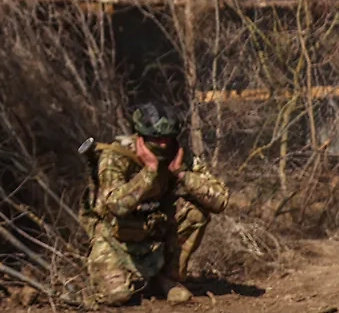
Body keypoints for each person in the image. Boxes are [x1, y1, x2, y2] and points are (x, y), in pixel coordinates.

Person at [80, 103, 228, 306]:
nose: (163, 145)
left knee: (195, 213)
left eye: (167, 139)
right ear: (139, 136)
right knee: (116, 296)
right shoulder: (116, 157)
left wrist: (181, 174)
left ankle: (168, 276)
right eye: (156, 139)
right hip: (114, 238)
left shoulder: (177, 155)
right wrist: (149, 172)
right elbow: (116, 205)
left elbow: (220, 200)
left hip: (153, 231)